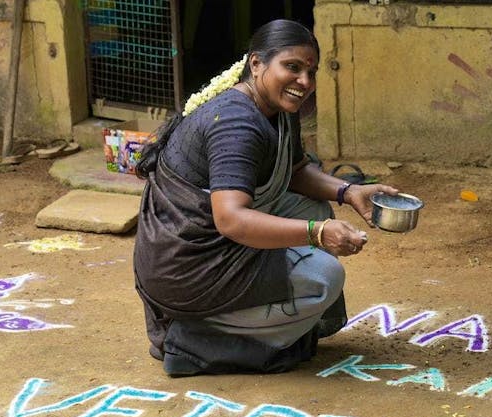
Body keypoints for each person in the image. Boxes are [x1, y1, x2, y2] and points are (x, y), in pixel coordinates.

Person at [133, 19, 398, 376]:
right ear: (256, 64)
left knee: (311, 208)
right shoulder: (236, 123)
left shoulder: (276, 107)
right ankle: (196, 337)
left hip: (201, 243)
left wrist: (348, 192)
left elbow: (294, 171)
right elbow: (231, 220)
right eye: (292, 67)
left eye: (310, 71)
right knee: (325, 279)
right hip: (187, 265)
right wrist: (318, 233)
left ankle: (245, 318)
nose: (304, 82)